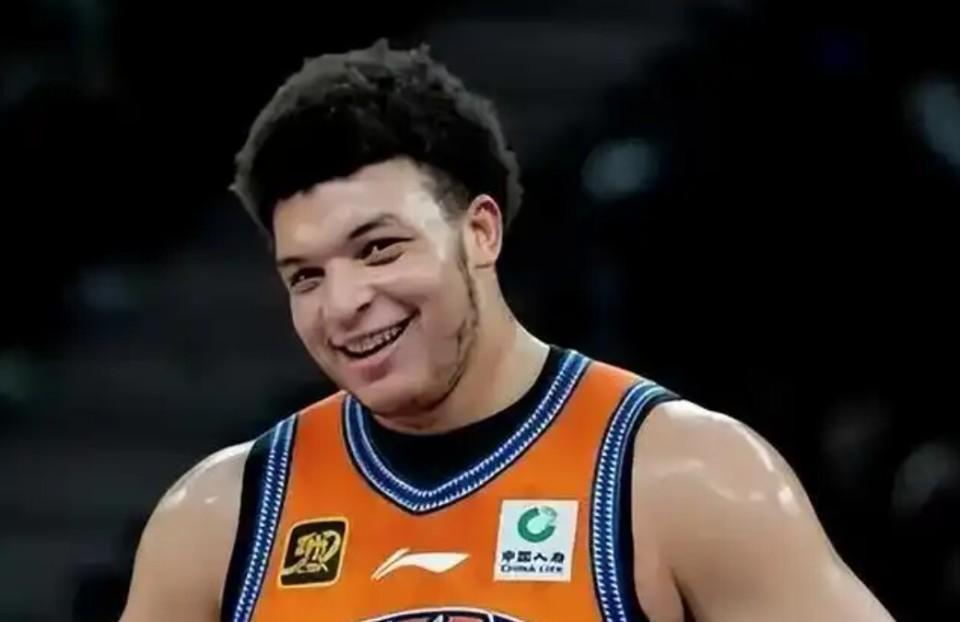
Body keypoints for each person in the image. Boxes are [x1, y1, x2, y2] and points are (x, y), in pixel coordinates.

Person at [119, 40, 895, 622]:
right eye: (306, 276)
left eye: (379, 249)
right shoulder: (222, 517)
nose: (343, 303)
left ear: (481, 231)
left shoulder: (684, 477)